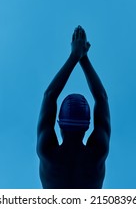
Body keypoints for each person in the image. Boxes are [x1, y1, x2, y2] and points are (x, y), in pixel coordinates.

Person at [37, 25, 111, 189]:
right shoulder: (98, 153)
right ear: (87, 124)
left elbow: (49, 96)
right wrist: (83, 58)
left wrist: (74, 56)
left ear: (59, 123)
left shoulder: (47, 153)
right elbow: (102, 98)